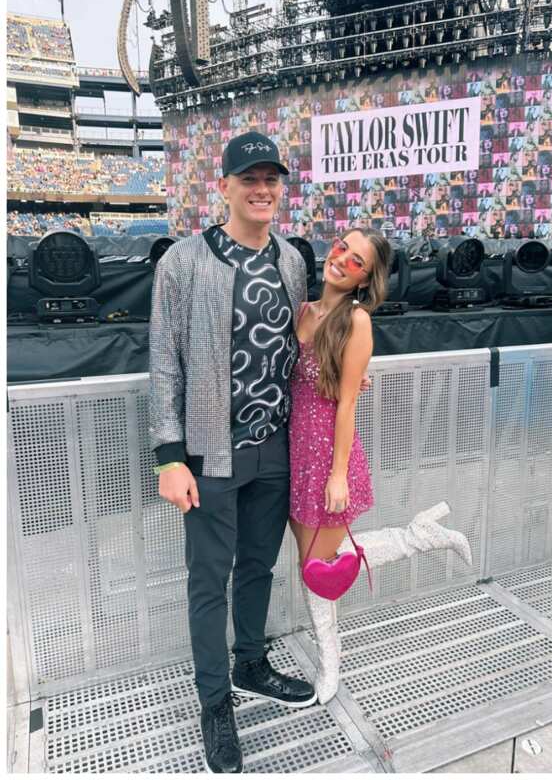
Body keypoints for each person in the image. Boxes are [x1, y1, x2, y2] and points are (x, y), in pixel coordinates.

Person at [150, 131, 314, 773]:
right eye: (250, 178)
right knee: (207, 581)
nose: (263, 189)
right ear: (224, 187)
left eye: (272, 178)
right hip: (209, 454)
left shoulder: (291, 260)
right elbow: (163, 360)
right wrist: (169, 456)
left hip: (274, 444)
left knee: (257, 567)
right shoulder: (184, 261)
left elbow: (299, 348)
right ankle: (214, 704)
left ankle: (251, 663)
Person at [289, 227, 472, 705]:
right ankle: (421, 534)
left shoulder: (356, 321)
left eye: (356, 260)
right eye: (341, 247)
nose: (342, 259)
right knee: (315, 564)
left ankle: (330, 666)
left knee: (314, 569)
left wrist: (337, 473)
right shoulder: (303, 312)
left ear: (366, 278)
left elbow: (347, 405)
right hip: (294, 455)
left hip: (327, 454)